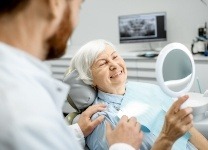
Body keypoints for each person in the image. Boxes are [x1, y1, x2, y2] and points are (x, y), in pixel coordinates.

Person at [0, 0, 142, 150]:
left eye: (114, 57)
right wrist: (123, 146)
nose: (76, 20)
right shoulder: (21, 104)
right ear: (55, 4)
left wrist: (77, 130)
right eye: (78, 6)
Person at [68, 39, 208, 150]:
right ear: (90, 78)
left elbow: (188, 130)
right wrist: (167, 137)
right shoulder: (100, 120)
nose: (114, 65)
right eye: (102, 63)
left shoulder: (148, 88)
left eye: (115, 57)